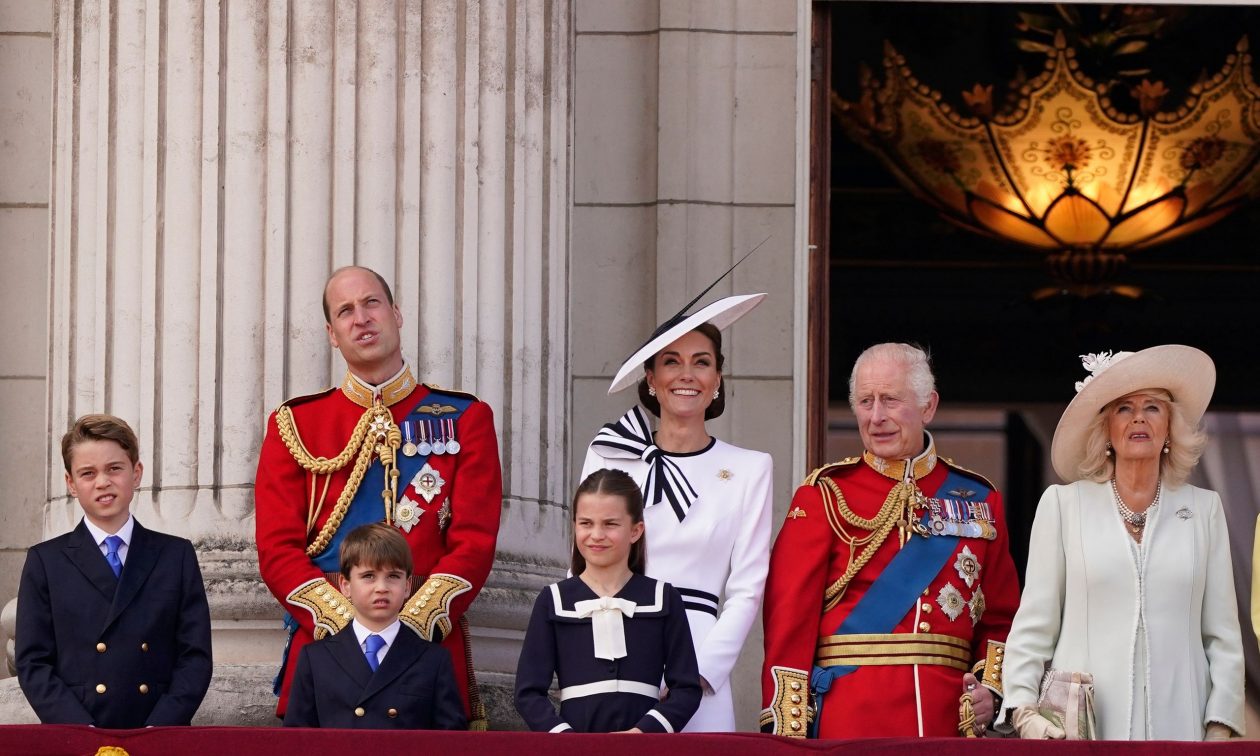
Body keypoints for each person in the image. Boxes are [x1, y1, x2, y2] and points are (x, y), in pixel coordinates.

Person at [255, 266, 502, 725]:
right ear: (332, 334)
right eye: (345, 311)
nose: (361, 318)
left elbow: (475, 541)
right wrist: (348, 626)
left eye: (371, 303)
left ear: (396, 313)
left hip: (426, 646)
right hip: (325, 649)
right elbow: (276, 548)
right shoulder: (295, 425)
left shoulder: (466, 417)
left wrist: (410, 623)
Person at [761, 343, 1020, 738]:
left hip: (946, 720)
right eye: (866, 402)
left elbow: (1001, 616)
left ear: (928, 406)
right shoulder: (825, 495)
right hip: (848, 717)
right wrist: (789, 730)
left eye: (890, 400)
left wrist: (990, 689)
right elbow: (789, 622)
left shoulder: (980, 499)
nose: (876, 417)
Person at [1000, 346, 1244, 741]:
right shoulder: (1064, 506)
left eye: (1152, 407)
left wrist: (1219, 726)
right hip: (1082, 731)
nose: (1138, 419)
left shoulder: (1204, 509)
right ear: (1106, 429)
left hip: (1183, 730)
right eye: (1123, 408)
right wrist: (1024, 711)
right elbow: (1034, 625)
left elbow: (1222, 636)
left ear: (1169, 426)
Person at [581, 291, 772, 731]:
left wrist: (699, 674)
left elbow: (747, 588)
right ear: (650, 377)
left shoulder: (749, 468)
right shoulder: (610, 454)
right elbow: (583, 565)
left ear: (718, 377)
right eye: (671, 361)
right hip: (615, 647)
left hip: (698, 656)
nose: (687, 374)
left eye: (701, 362)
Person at [16, 414, 213, 727]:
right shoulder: (46, 561)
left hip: (157, 732)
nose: (102, 482)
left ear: (136, 473)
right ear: (71, 484)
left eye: (114, 469)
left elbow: (195, 656)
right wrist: (82, 731)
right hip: (78, 735)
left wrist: (159, 728)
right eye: (87, 473)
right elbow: (33, 662)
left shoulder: (176, 556)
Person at [515, 469, 702, 733]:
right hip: (572, 749)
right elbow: (528, 693)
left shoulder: (664, 598)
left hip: (646, 748)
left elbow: (686, 689)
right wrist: (564, 738)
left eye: (610, 524)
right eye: (586, 523)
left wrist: (645, 732)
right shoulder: (553, 600)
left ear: (636, 530)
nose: (597, 534)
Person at [283, 523, 466, 729]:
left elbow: (451, 743)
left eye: (393, 577)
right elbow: (296, 741)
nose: (382, 588)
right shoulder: (316, 658)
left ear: (407, 587)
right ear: (346, 586)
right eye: (368, 576)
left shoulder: (433, 660)